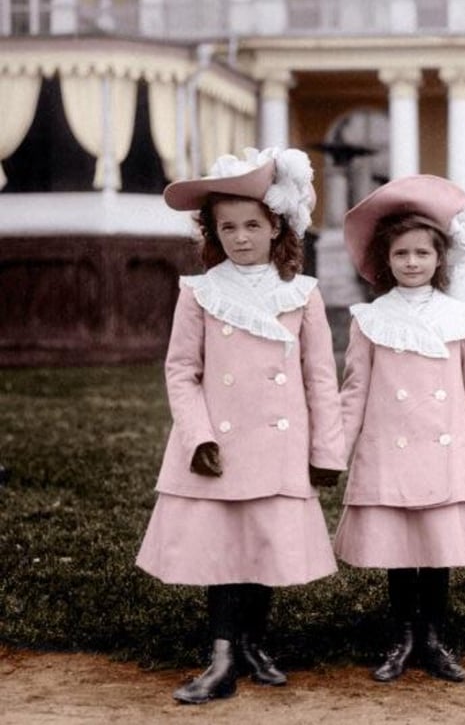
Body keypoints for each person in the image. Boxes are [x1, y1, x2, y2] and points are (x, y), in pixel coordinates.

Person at [136, 147, 346, 704]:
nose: (240, 237)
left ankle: (252, 642)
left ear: (276, 226)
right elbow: (182, 371)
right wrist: (198, 434)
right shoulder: (199, 293)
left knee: (263, 544)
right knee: (226, 549)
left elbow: (320, 377)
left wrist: (327, 450)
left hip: (279, 443)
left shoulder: (301, 294)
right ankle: (223, 656)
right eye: (227, 226)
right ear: (212, 232)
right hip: (221, 443)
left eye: (252, 224)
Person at [335, 175, 465, 684]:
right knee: (398, 551)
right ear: (385, 262)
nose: (412, 263)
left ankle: (432, 637)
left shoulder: (462, 318)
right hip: (390, 452)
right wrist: (335, 453)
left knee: (436, 551)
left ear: (440, 260)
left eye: (422, 254)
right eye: (401, 254)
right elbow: (354, 393)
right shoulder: (369, 320)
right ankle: (402, 636)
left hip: (446, 453)